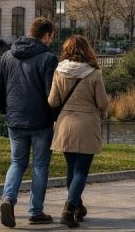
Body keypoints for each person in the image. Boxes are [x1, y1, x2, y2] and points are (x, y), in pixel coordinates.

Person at [0, 17, 58, 228]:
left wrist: (6, 110)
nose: (51, 41)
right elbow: (51, 94)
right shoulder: (48, 58)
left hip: (15, 119)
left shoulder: (7, 56)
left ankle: (8, 198)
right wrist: (55, 117)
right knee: (40, 166)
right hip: (40, 121)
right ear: (46, 35)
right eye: (51, 37)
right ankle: (35, 211)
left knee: (17, 162)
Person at [48, 35, 109, 228]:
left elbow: (53, 101)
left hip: (65, 124)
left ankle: (78, 207)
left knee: (71, 168)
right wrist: (104, 111)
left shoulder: (59, 71)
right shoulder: (94, 73)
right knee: (81, 170)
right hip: (87, 123)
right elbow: (103, 102)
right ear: (87, 50)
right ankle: (69, 208)